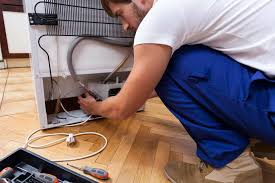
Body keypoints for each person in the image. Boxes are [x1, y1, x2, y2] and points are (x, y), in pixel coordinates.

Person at [78, 0, 275, 182]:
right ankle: (260, 139)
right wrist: (136, 92)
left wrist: (95, 108)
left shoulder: (160, 18)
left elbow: (121, 109)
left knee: (168, 62)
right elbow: (187, 83)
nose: (125, 26)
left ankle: (231, 165)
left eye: (120, 14)